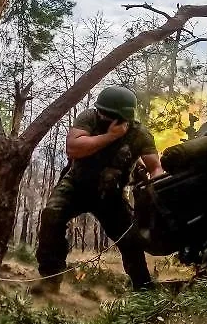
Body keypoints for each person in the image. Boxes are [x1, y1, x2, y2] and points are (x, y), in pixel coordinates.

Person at [33, 86, 164, 294]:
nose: (101, 115)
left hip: (110, 195)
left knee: (130, 239)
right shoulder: (89, 118)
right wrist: (110, 136)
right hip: (75, 185)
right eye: (100, 111)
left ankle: (143, 290)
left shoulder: (139, 134)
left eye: (107, 114)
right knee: (51, 215)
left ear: (122, 118)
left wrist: (156, 186)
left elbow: (155, 167)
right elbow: (73, 147)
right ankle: (50, 279)